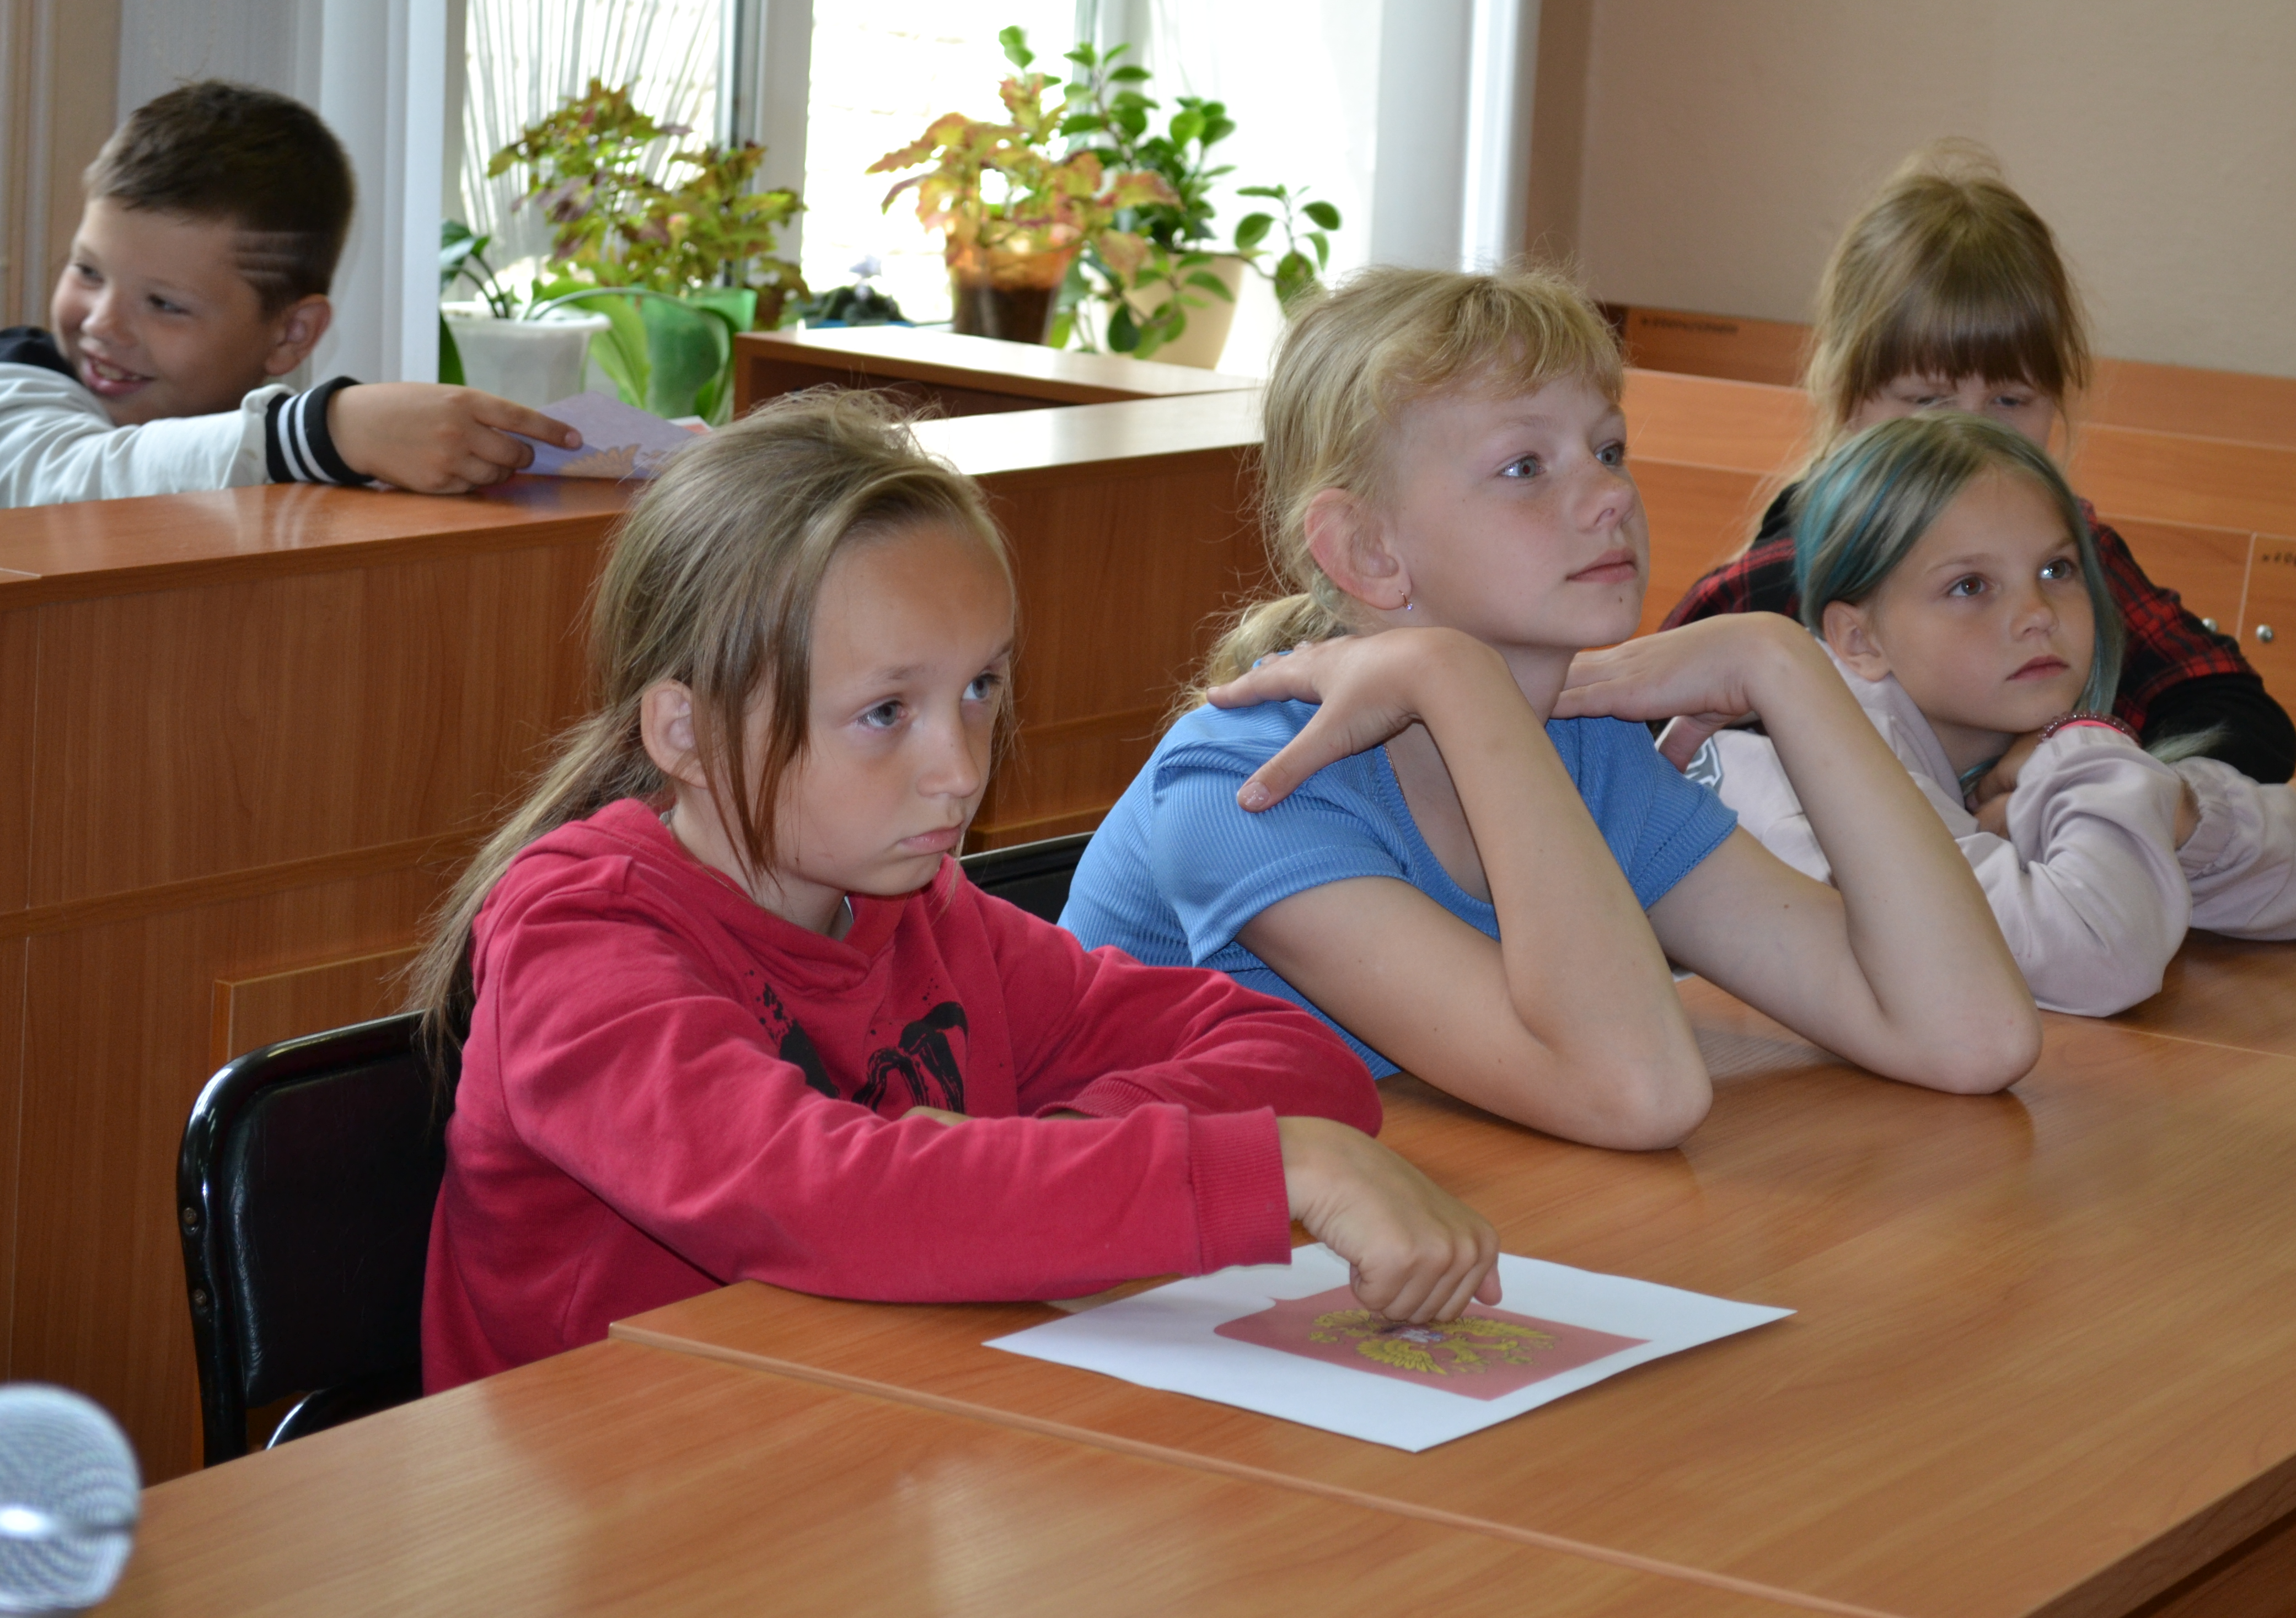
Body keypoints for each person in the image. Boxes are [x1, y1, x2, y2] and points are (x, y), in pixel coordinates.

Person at [414, 390, 1499, 1390]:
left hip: (861, 1437)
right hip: (606, 1486)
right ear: (688, 733)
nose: (961, 768)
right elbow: (819, 1198)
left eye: (979, 687)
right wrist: (1267, 1165)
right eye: (886, 711)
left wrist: (1039, 1159)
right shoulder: (578, 937)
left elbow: (1295, 1059)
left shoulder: (921, 913)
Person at [1060, 268, 2038, 1151]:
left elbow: (1970, 1034)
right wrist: (1455, 677)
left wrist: (1782, 664)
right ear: (1366, 551)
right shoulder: (1245, 786)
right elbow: (1637, 1092)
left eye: (1608, 448)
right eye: (1525, 466)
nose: (1609, 494)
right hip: (1131, 1274)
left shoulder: (1582, 753)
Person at [1654, 142, 2296, 782]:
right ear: (1848, 399)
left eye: (2010, 400)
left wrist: (2071, 749)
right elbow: (1632, 749)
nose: (1972, 433)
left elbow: (2243, 722)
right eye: (1927, 401)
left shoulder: (2066, 554)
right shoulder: (1772, 585)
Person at [1698, 411, 2296, 1018]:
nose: (2037, 615)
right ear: (1859, 639)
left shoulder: (1992, 735)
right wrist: (2090, 750)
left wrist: (2180, 811)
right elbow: (2099, 959)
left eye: (2056, 571)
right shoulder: (1806, 777)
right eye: (1970, 586)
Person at [0, 80, 576, 509]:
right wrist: (331, 431)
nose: (101, 323)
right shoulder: (19, 383)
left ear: (290, 335)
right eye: (88, 271)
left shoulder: (270, 461)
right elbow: (57, 483)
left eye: (164, 304)